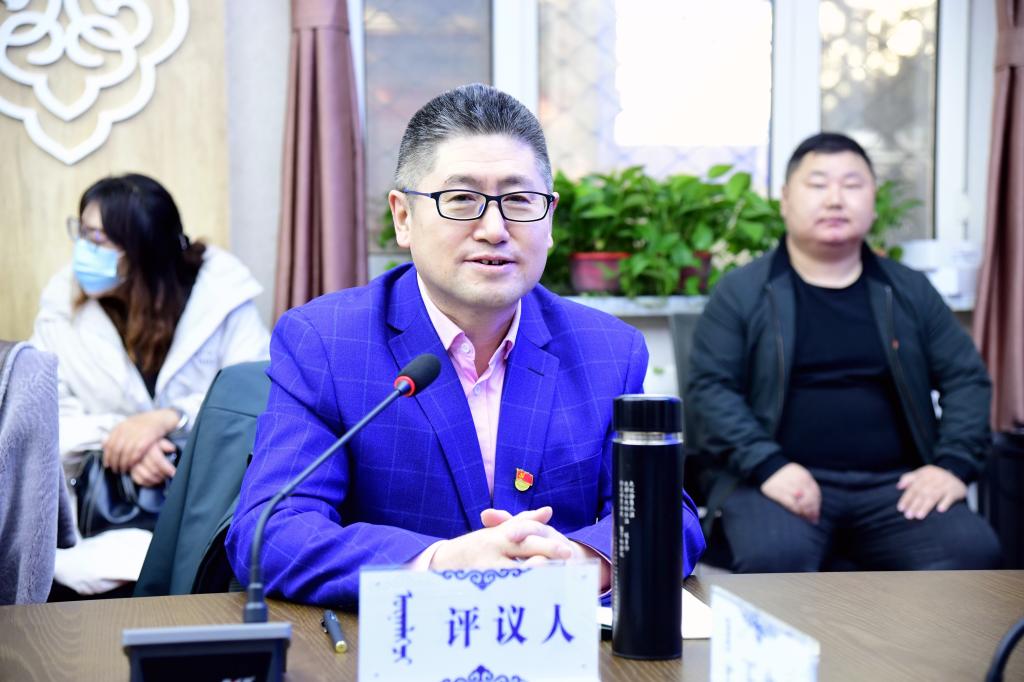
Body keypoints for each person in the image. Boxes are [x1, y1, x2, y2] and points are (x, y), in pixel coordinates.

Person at [227, 84, 706, 607]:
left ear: (549, 218)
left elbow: (668, 516)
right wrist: (438, 565)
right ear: (403, 217)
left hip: (555, 635)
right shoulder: (327, 342)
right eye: (462, 200)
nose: (495, 229)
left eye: (519, 200)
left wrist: (581, 561)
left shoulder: (609, 351)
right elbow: (271, 529)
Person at [685, 132, 1002, 572]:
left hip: (895, 487)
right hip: (776, 482)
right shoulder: (741, 292)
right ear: (785, 199)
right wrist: (769, 466)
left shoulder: (909, 291)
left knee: (972, 552)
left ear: (873, 201)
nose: (835, 199)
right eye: (818, 184)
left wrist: (951, 466)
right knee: (775, 560)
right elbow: (710, 390)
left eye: (852, 185)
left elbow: (965, 379)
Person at [31, 173, 270, 596]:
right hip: (96, 517)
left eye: (98, 239)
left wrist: (170, 419)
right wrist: (122, 438)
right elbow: (41, 417)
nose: (83, 250)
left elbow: (256, 398)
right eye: (82, 233)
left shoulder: (221, 299)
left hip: (203, 504)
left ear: (144, 250)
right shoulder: (60, 307)